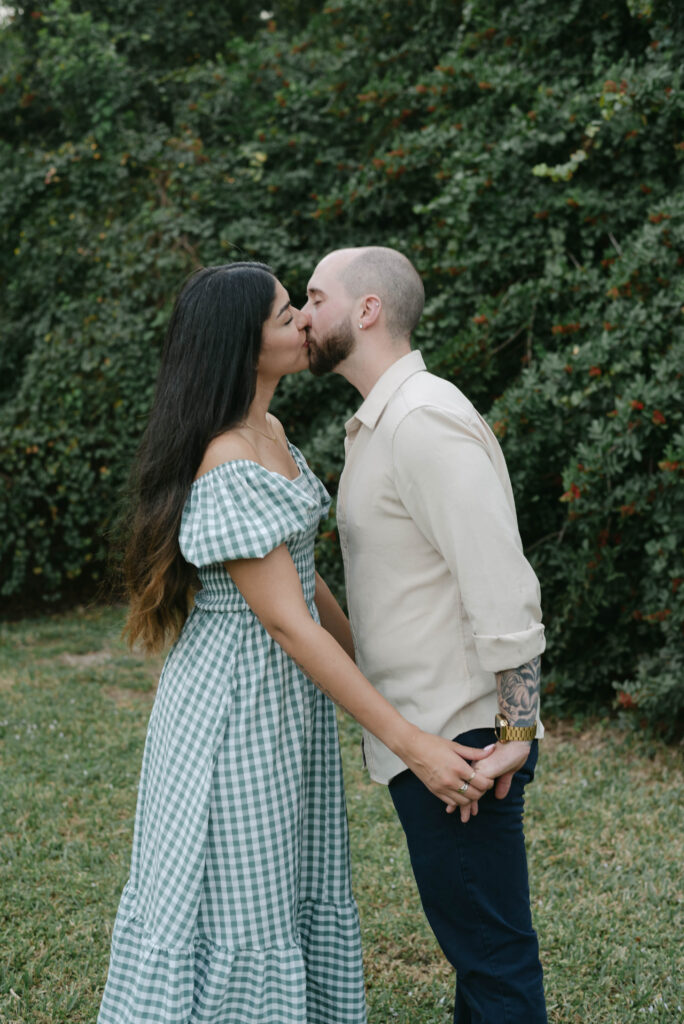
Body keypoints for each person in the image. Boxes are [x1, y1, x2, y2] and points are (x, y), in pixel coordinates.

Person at [98, 261, 497, 1024]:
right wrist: (407, 739)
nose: (306, 323)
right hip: (236, 707)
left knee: (284, 885)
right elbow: (284, 621)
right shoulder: (226, 458)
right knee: (240, 903)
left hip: (284, 700)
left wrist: (377, 673)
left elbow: (304, 581)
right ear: (244, 348)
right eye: (288, 316)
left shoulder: (271, 431)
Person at [302, 246, 548, 1024]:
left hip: (464, 742)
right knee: (479, 955)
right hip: (434, 735)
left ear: (367, 310)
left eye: (313, 297)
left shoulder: (421, 417)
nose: (302, 316)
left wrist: (516, 729)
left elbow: (499, 579)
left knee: (494, 958)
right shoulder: (378, 425)